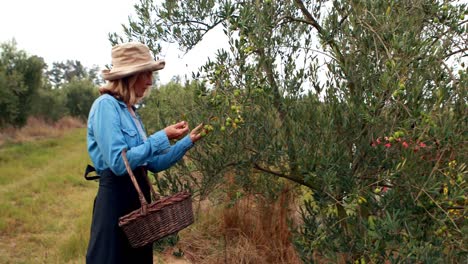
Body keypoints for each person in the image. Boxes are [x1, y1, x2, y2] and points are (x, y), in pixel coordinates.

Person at [85, 42, 204, 264]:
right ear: (131, 75)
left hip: (139, 205)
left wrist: (188, 141)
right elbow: (120, 164)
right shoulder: (105, 106)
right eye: (146, 74)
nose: (150, 81)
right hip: (115, 204)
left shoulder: (132, 113)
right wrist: (162, 136)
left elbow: (153, 164)